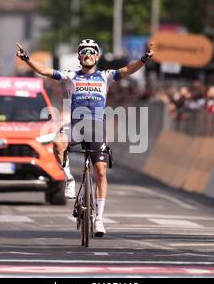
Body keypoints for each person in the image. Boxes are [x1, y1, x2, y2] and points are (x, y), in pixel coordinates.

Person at [15, 39, 154, 236]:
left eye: (91, 52)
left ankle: (99, 219)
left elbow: (127, 70)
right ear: (79, 57)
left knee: (101, 171)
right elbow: (46, 71)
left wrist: (144, 59)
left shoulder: (105, 76)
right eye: (84, 52)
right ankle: (69, 178)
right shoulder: (71, 76)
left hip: (97, 126)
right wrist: (27, 59)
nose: (88, 55)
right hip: (76, 126)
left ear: (97, 56)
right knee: (57, 142)